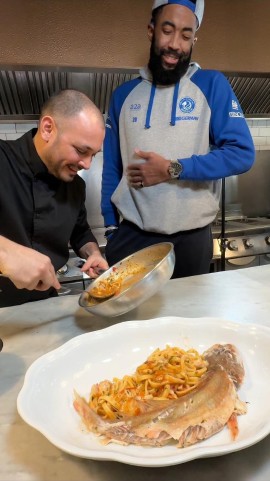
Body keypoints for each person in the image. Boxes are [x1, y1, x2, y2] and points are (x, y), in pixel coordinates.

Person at [101, 0, 255, 278]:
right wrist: (111, 228)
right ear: (151, 31)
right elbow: (112, 167)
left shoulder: (211, 85)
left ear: (194, 38)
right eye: (167, 30)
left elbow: (242, 153)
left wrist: (173, 169)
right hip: (131, 238)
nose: (175, 44)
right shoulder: (122, 96)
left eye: (186, 35)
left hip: (191, 242)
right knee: (133, 322)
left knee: (187, 320)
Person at [0, 89, 108, 307]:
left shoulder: (76, 186)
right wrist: (4, 254)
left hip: (44, 304)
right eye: (81, 150)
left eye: (93, 155)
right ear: (48, 128)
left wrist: (93, 252)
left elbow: (80, 231)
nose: (87, 164)